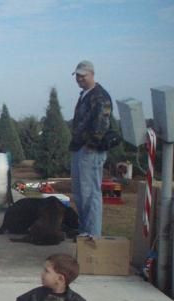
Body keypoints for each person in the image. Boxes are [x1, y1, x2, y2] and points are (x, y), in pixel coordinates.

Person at [69, 60, 113, 237]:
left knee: (90, 195)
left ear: (92, 74)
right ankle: (84, 232)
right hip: (80, 148)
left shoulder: (99, 96)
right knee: (80, 195)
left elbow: (102, 123)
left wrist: (91, 145)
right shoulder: (85, 95)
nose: (79, 79)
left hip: (90, 151)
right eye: (77, 76)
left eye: (83, 75)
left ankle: (93, 236)